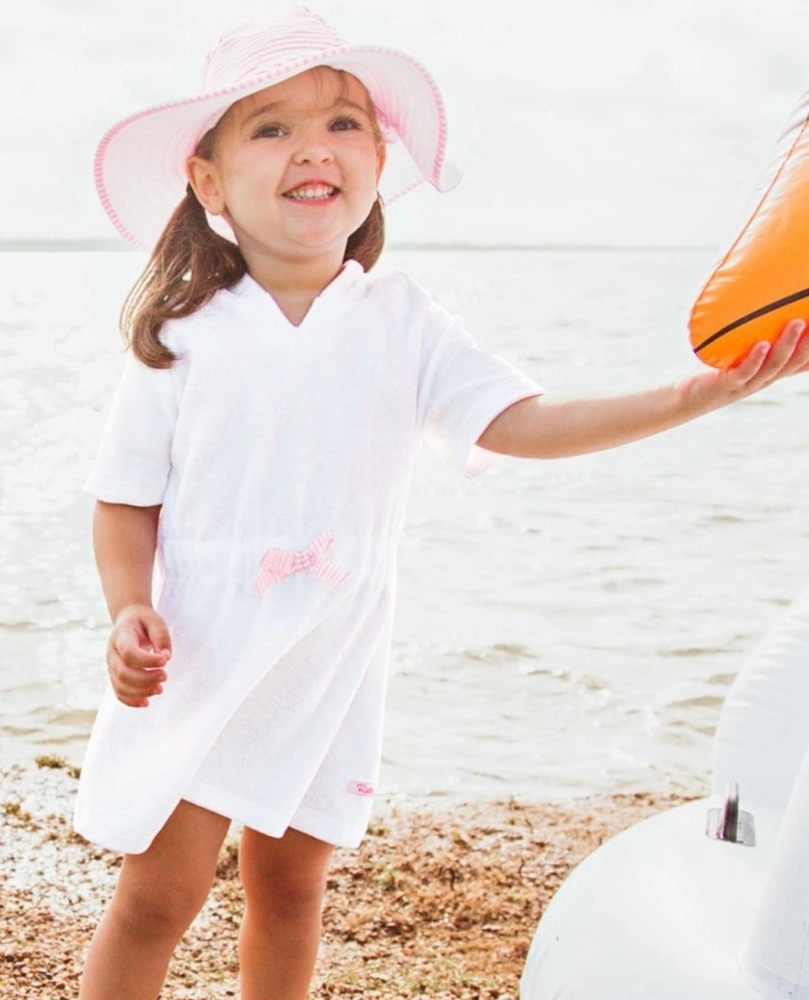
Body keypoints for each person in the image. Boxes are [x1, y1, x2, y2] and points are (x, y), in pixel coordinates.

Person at [74, 8, 809, 999]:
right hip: (204, 659)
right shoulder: (183, 335)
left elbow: (524, 422)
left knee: (291, 888)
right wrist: (128, 608)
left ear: (378, 159)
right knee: (159, 896)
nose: (313, 148)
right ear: (206, 180)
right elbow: (124, 503)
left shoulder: (400, 319)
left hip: (331, 661)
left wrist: (693, 395)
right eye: (270, 127)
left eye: (343, 123)